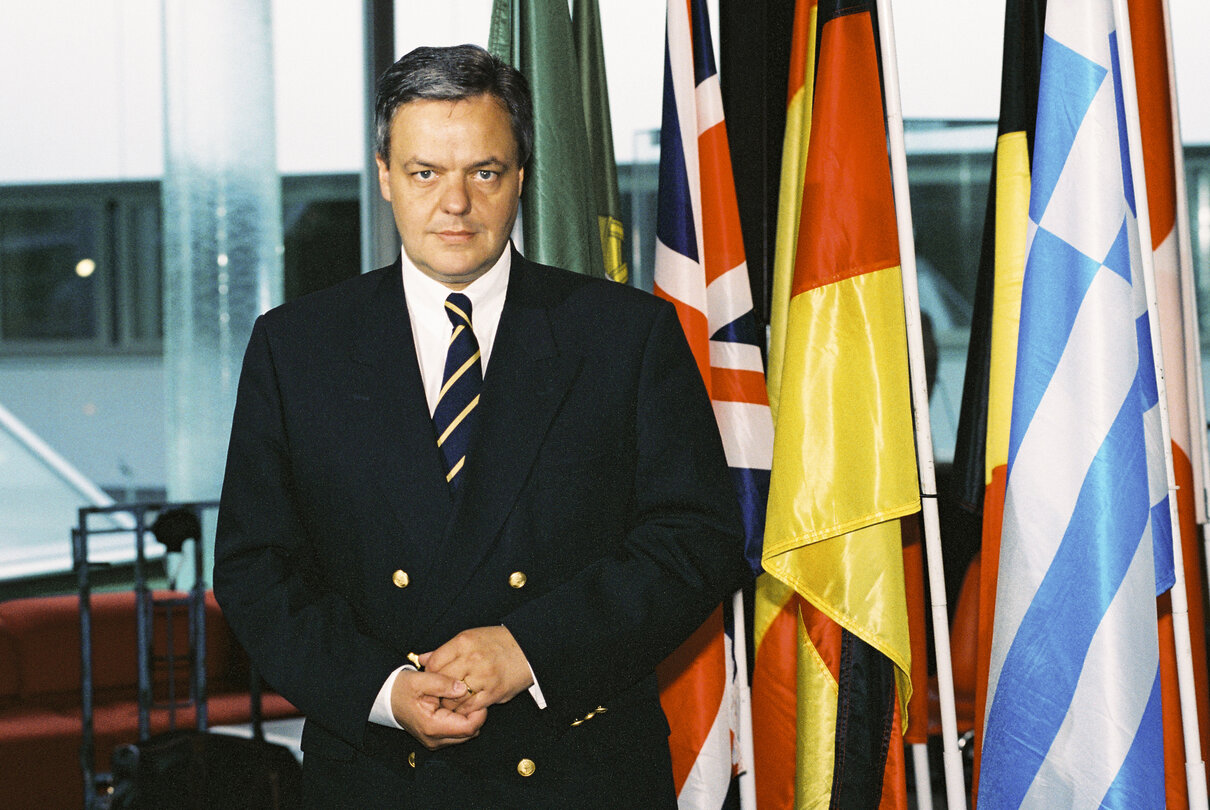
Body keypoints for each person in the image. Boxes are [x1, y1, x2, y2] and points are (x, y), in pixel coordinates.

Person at [213, 43, 748, 809]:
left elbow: (696, 538)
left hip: (577, 771)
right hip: (376, 776)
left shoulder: (624, 336)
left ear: (522, 177)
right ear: (386, 178)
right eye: (426, 173)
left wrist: (532, 647)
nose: (454, 204)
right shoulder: (296, 346)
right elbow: (254, 567)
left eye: (483, 172)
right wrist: (386, 689)